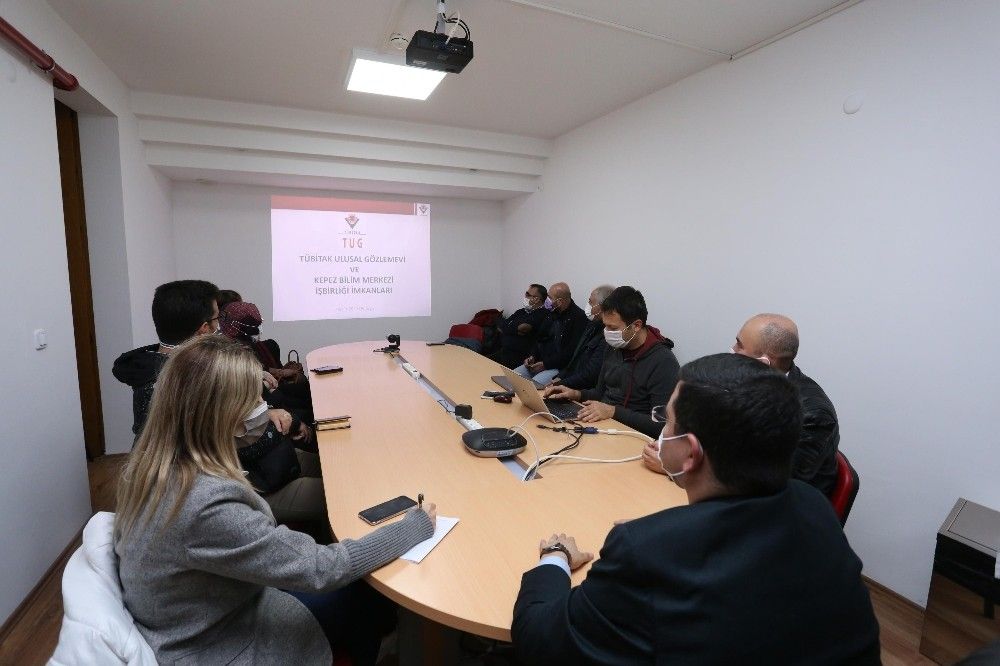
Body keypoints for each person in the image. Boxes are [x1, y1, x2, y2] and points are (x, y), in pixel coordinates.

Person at [512, 353, 881, 664]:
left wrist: (556, 557)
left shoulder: (644, 552)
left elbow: (539, 638)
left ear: (689, 452)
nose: (662, 430)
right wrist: (666, 535)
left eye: (667, 420)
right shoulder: (814, 505)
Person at [114, 335, 437, 665]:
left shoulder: (153, 466)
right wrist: (415, 526)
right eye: (253, 399)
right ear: (221, 415)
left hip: (207, 613)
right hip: (221, 642)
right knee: (369, 590)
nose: (264, 408)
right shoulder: (204, 504)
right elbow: (323, 568)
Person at [646, 313, 841, 496]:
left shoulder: (813, 415)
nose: (732, 350)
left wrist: (679, 468)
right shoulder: (748, 385)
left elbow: (775, 484)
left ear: (762, 363)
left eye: (739, 346)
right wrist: (674, 446)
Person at [113, 279, 296, 443]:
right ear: (205, 328)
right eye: (218, 318)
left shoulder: (151, 366)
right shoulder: (185, 381)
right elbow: (225, 444)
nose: (220, 326)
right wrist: (265, 419)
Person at [544, 286, 678, 438]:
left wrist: (613, 411)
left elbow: (662, 424)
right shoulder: (613, 347)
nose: (606, 332)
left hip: (631, 437)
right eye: (605, 325)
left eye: (612, 328)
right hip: (603, 425)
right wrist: (576, 394)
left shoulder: (663, 361)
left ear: (636, 325)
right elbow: (600, 393)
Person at [514, 282, 588, 385]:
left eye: (549, 297)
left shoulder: (579, 318)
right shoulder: (551, 312)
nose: (546, 300)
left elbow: (570, 353)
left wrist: (545, 364)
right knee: (513, 377)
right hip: (539, 362)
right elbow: (539, 338)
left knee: (534, 386)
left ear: (560, 301)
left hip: (558, 367)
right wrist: (532, 356)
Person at [547, 284, 613, 390]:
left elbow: (590, 374)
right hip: (571, 380)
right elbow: (575, 359)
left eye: (591, 302)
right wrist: (560, 377)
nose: (588, 305)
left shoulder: (608, 336)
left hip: (583, 390)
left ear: (603, 306)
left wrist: (563, 383)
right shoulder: (591, 325)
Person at [495, 284, 549, 368]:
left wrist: (509, 327)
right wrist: (515, 329)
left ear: (537, 299)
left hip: (521, 358)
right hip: (504, 352)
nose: (525, 297)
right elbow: (501, 327)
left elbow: (523, 328)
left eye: (528, 294)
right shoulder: (521, 311)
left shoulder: (543, 314)